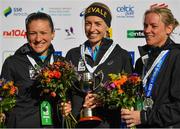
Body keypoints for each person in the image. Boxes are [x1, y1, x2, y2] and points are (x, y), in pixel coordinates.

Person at [61, 2, 133, 128]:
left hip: (108, 124)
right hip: (78, 124)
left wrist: (104, 100)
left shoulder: (121, 56)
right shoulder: (73, 54)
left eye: (98, 24)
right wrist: (64, 106)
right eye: (88, 23)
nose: (92, 29)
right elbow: (66, 93)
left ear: (107, 27)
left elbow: (128, 97)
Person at [0, 12, 63, 127]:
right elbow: (4, 102)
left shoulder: (62, 64)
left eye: (43, 33)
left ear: (53, 34)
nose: (38, 39)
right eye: (33, 33)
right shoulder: (12, 63)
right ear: (26, 35)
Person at [121, 6, 180, 128]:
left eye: (154, 26)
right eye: (145, 25)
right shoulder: (141, 61)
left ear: (168, 28)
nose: (147, 30)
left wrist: (144, 117)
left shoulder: (177, 57)